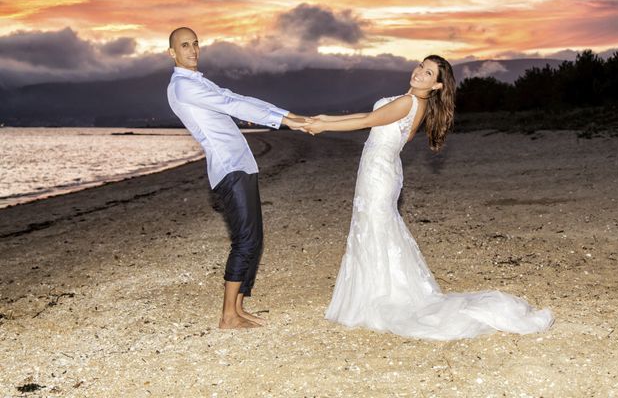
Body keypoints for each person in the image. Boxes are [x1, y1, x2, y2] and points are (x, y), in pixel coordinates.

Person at [303, 55, 554, 340]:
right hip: (380, 168)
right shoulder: (414, 103)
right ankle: (371, 291)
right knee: (373, 227)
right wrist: (322, 119)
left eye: (429, 72)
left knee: (374, 226)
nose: (420, 73)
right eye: (421, 66)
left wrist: (324, 125)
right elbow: (379, 125)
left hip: (379, 173)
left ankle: (377, 296)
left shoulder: (410, 103)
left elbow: (367, 120)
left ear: (436, 86)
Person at [166, 27, 307, 330]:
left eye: (195, 44)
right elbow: (233, 106)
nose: (193, 50)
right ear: (172, 53)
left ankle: (239, 309)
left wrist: (290, 116)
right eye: (185, 45)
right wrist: (286, 122)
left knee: (254, 239)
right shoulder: (183, 87)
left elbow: (236, 97)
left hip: (241, 163)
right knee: (244, 240)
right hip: (229, 167)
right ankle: (228, 315)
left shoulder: (197, 82)